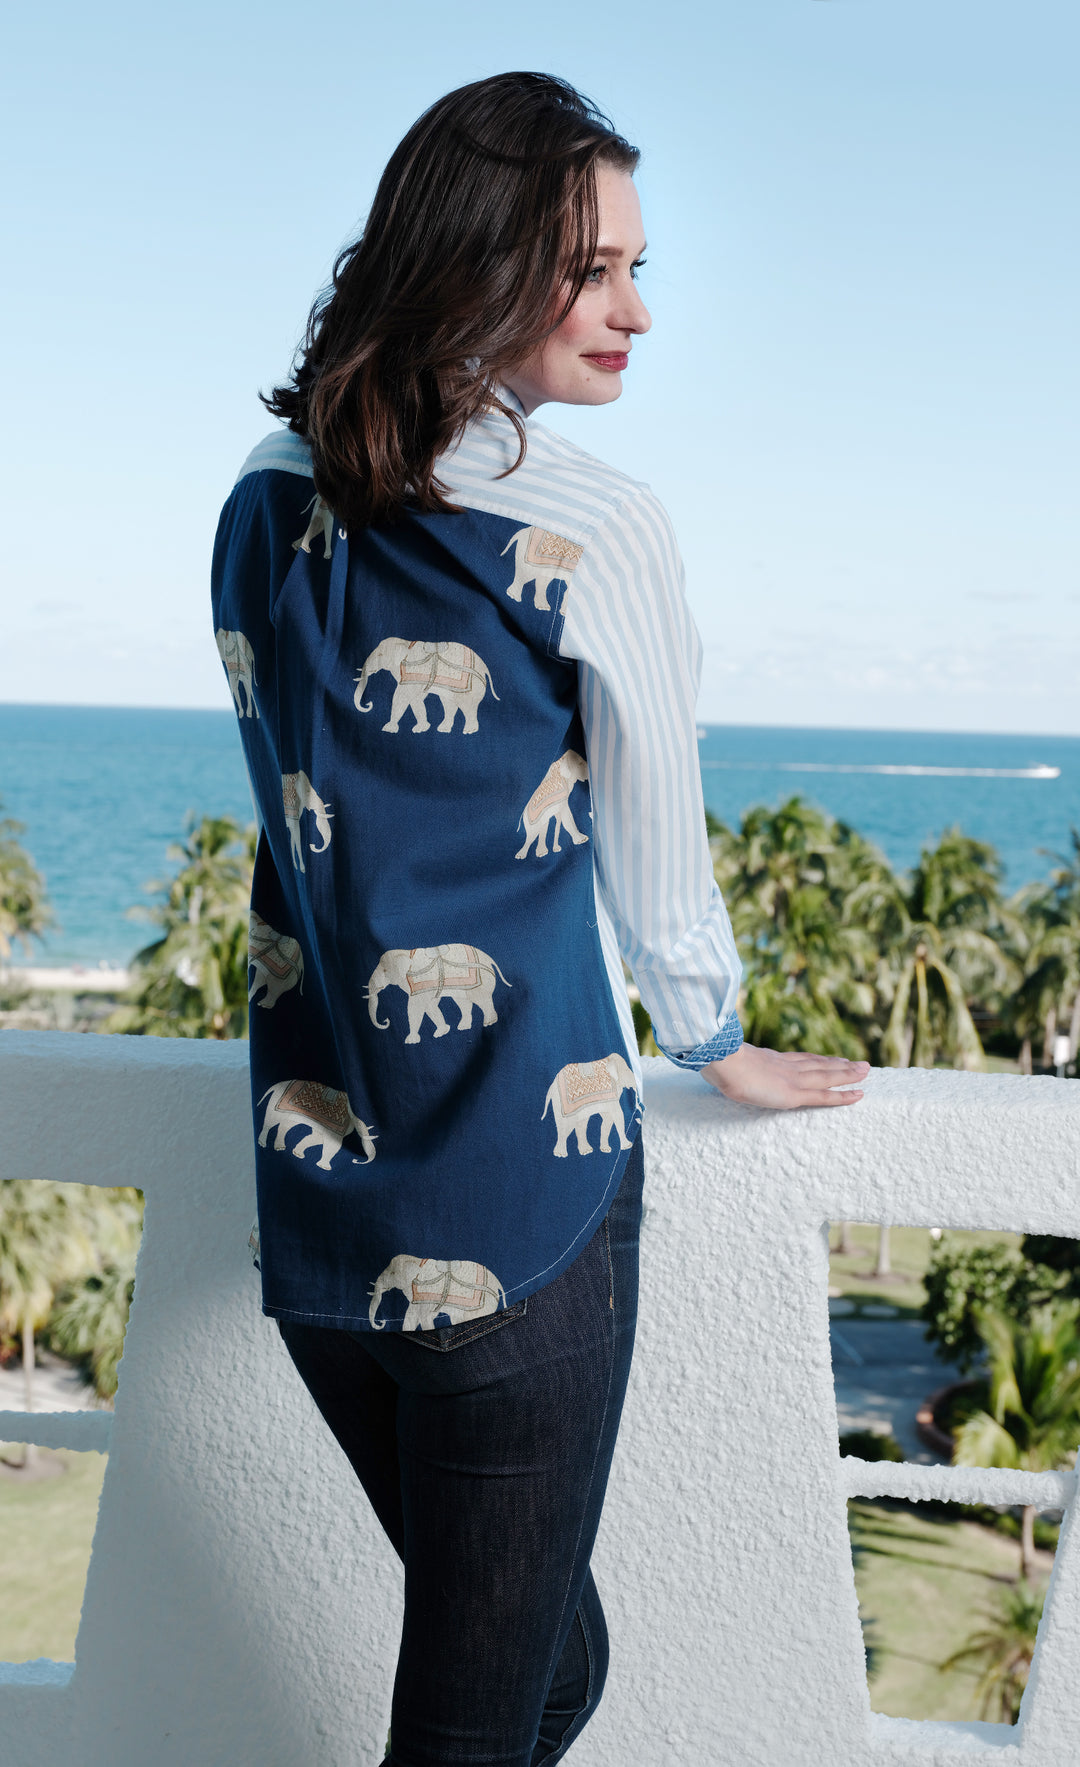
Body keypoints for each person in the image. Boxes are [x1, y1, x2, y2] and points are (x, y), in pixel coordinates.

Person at [211, 71, 868, 1767]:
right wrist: (712, 1035)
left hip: (322, 1202)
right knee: (480, 1727)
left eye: (638, 269)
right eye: (593, 271)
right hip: (522, 1205)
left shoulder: (264, 499)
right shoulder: (591, 524)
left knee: (546, 1681)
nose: (636, 311)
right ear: (475, 260)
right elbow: (654, 829)